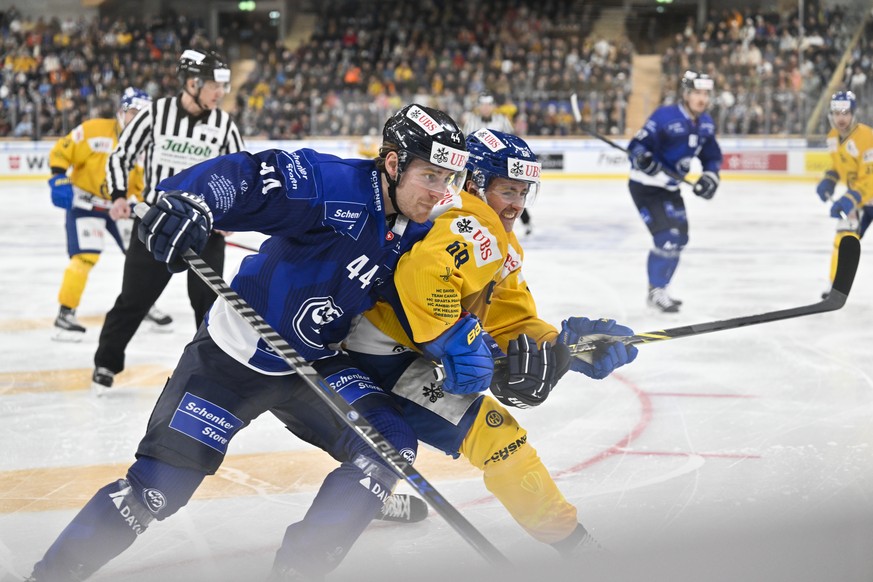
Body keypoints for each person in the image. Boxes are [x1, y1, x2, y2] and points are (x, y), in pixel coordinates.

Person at [27, 103, 520, 582]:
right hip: (232, 358)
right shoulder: (332, 184)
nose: (441, 192)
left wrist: (492, 345)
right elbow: (246, 176)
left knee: (389, 449)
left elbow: (437, 293)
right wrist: (193, 201)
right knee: (156, 491)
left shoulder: (424, 227)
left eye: (449, 180)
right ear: (393, 164)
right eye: (430, 176)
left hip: (314, 365)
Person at [342, 128, 638, 557]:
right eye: (507, 189)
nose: (517, 203)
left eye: (523, 191)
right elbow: (425, 276)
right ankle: (576, 548)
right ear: (476, 183)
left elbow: (510, 316)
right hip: (382, 354)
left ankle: (368, 496)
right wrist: (454, 338)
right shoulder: (474, 219)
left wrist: (562, 346)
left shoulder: (491, 232)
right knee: (496, 437)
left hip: (386, 347)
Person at [91, 48, 244, 395]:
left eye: (223, 85)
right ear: (192, 83)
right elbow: (122, 154)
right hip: (155, 225)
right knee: (134, 299)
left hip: (205, 230)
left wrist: (230, 214)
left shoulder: (224, 125)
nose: (221, 93)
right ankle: (106, 361)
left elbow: (240, 173)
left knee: (208, 305)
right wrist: (117, 194)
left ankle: (207, 373)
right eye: (214, 85)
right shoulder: (156, 114)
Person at [48, 87, 173, 341]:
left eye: (144, 114)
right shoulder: (93, 130)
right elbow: (62, 151)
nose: (137, 119)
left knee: (143, 256)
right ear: (121, 112)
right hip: (86, 204)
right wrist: (58, 178)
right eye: (133, 112)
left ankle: (144, 304)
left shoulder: (149, 146)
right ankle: (66, 312)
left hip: (121, 208)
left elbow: (144, 185)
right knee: (84, 258)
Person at [626, 70, 723, 313]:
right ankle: (656, 291)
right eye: (697, 93)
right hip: (645, 187)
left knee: (680, 239)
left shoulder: (706, 123)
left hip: (670, 188)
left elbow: (711, 155)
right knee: (666, 238)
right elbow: (636, 146)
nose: (702, 99)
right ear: (686, 94)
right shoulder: (665, 116)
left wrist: (710, 177)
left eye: (706, 94)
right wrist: (643, 159)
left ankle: (662, 289)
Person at [815, 90, 873, 291]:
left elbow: (870, 177)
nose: (841, 118)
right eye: (837, 113)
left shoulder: (867, 137)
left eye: (846, 112)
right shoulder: (832, 137)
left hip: (864, 194)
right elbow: (837, 166)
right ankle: (836, 287)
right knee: (844, 235)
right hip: (859, 199)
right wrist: (829, 179)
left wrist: (852, 197)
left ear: (853, 113)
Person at [461, 93, 533, 235]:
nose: (486, 108)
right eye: (483, 105)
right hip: (477, 167)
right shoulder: (471, 121)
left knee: (513, 194)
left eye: (488, 105)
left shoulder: (502, 120)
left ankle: (527, 222)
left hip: (501, 169)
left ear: (493, 106)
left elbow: (513, 143)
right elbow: (466, 145)